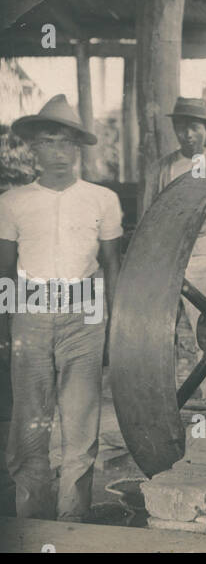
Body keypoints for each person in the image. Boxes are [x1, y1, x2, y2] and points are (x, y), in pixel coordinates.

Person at [0, 95, 121, 521]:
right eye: (48, 142)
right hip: (29, 313)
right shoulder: (13, 201)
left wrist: (112, 326)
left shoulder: (101, 199)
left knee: (82, 421)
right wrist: (5, 328)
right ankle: (30, 522)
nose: (58, 152)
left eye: (66, 142)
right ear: (34, 148)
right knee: (30, 423)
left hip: (85, 310)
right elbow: (4, 273)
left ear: (78, 149)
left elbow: (111, 266)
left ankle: (73, 524)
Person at [150, 97, 206, 386]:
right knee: (162, 323)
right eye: (181, 127)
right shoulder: (163, 169)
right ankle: (165, 387)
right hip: (168, 255)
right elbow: (149, 215)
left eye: (194, 127)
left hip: (201, 255)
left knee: (204, 324)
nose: (187, 134)